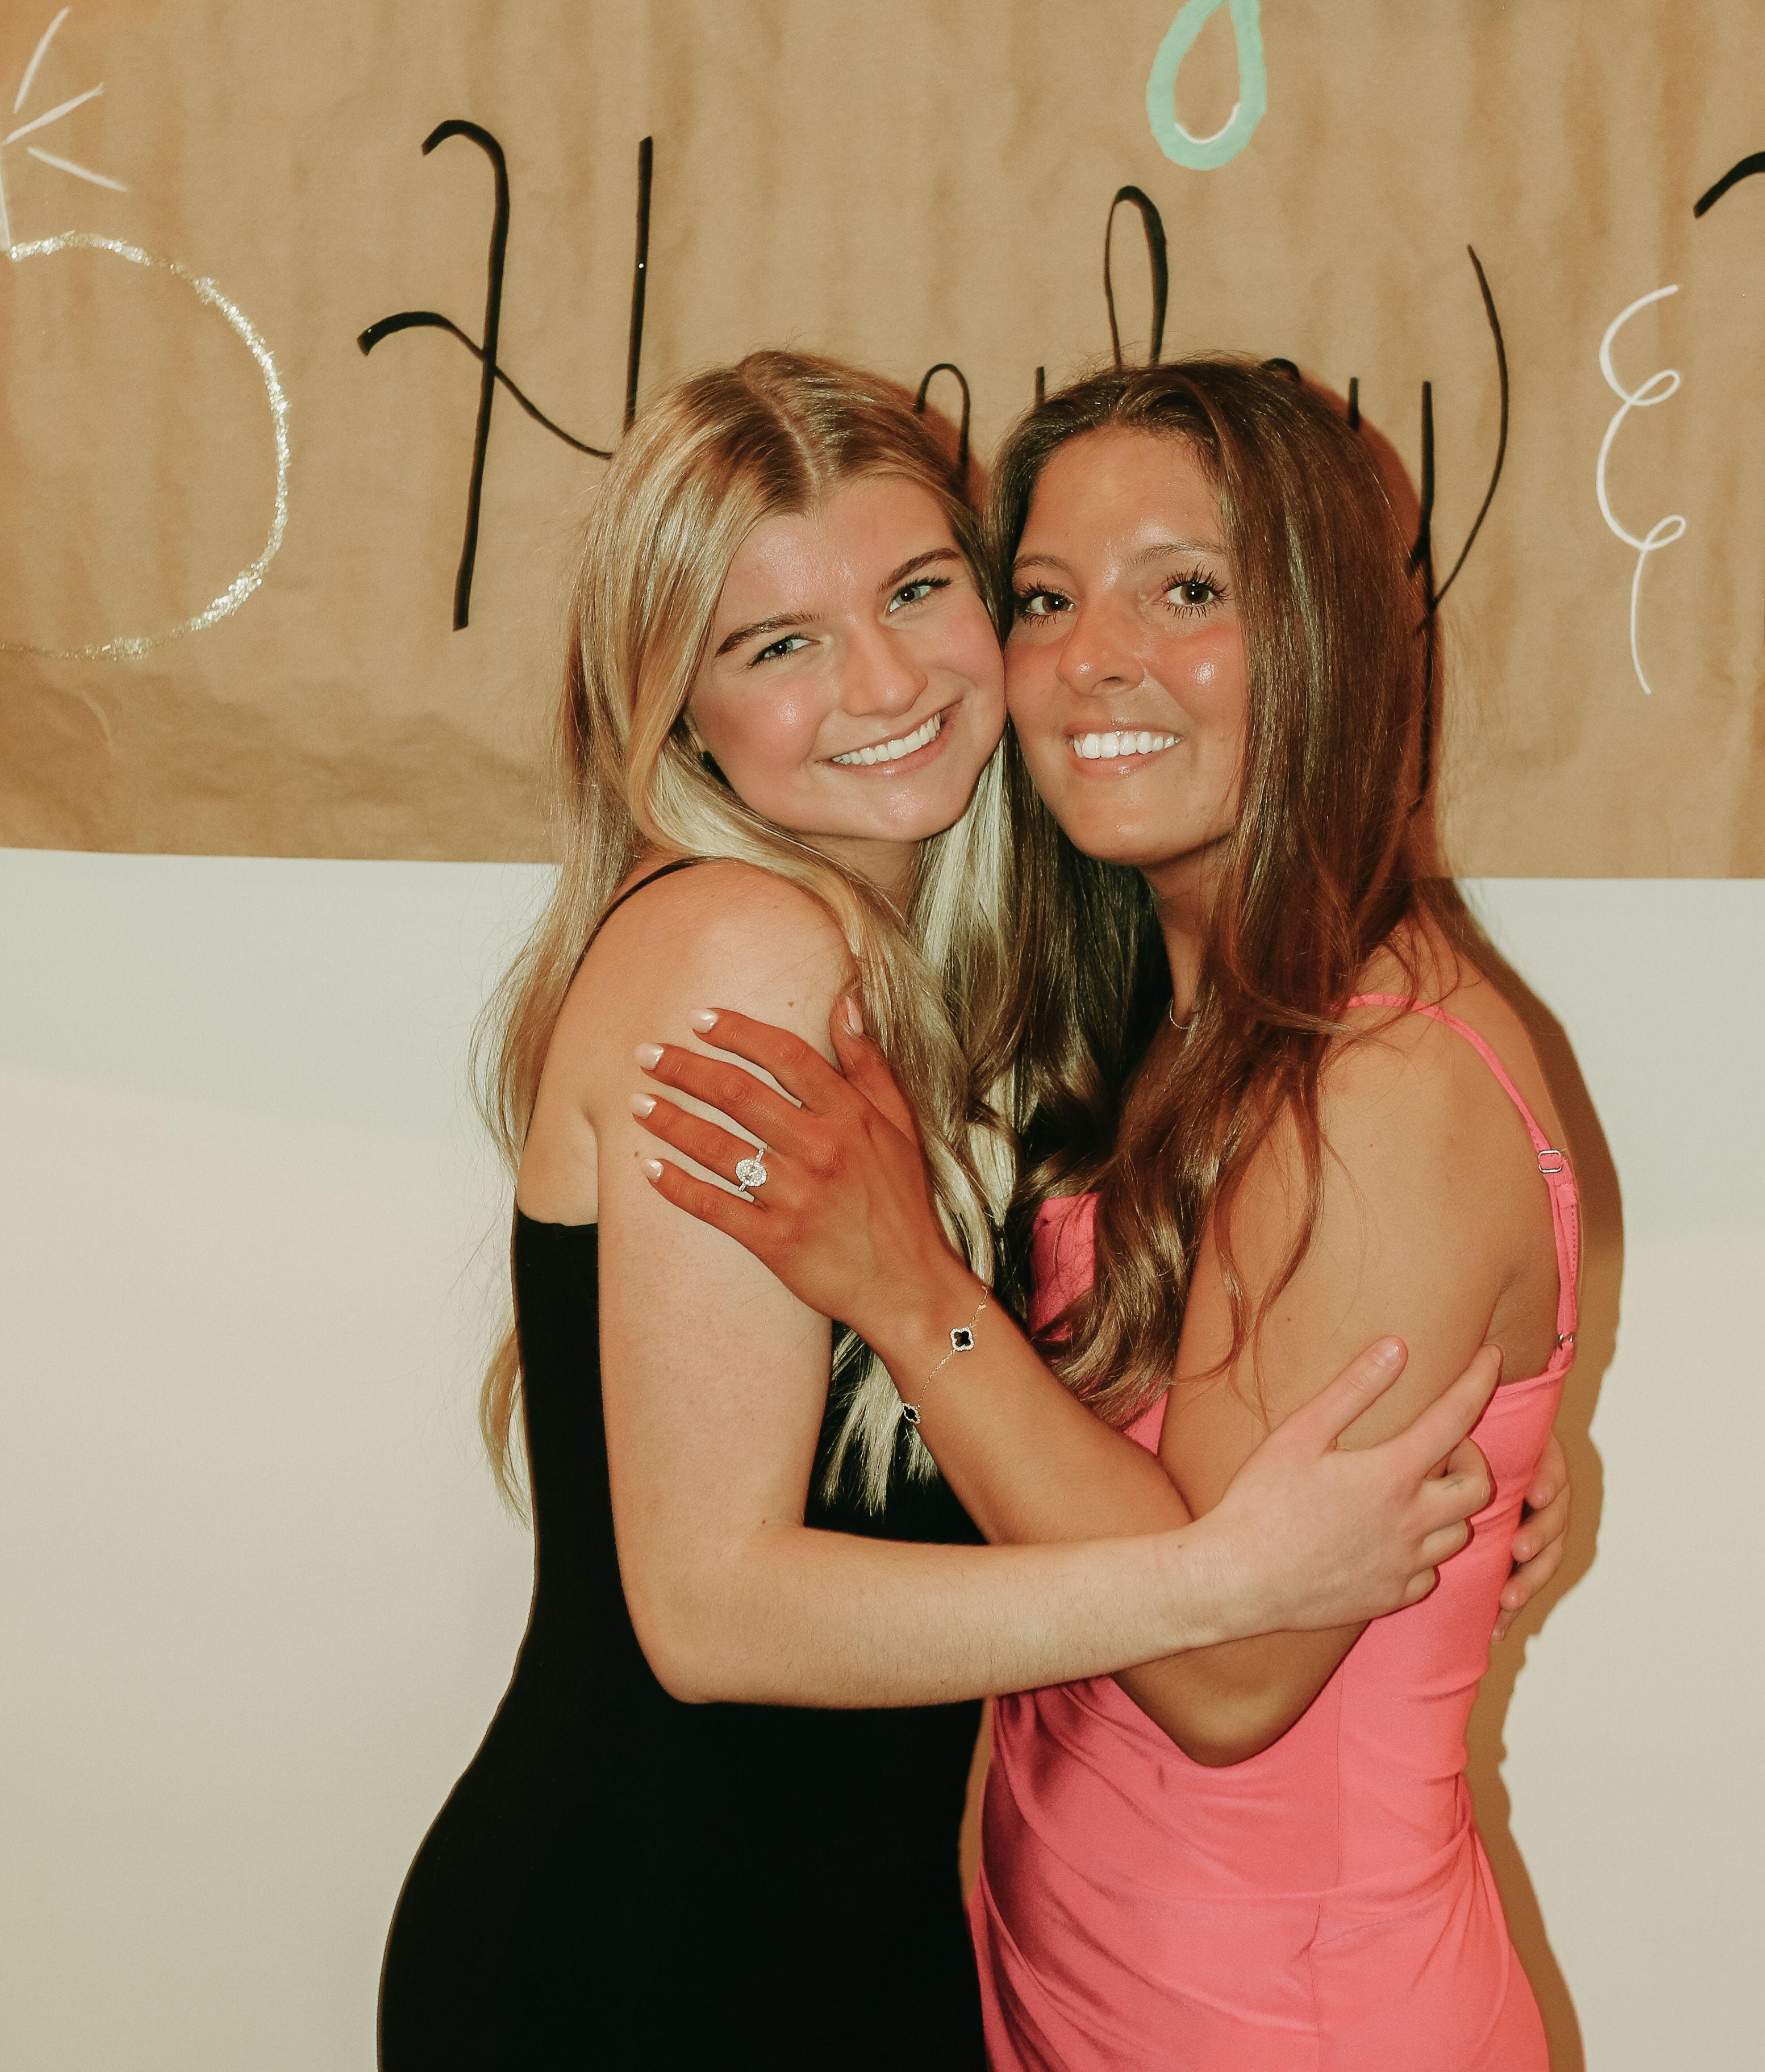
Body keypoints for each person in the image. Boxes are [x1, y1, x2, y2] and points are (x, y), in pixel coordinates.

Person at [375, 352, 1559, 2069]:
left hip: (870, 1958)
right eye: (776, 644)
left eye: (922, 592)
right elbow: (708, 1614)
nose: (882, 681)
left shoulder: (1016, 981)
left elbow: (1093, 1395)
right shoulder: (743, 950)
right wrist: (1225, 1578)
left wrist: (1487, 1475)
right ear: (678, 710)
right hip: (649, 1967)